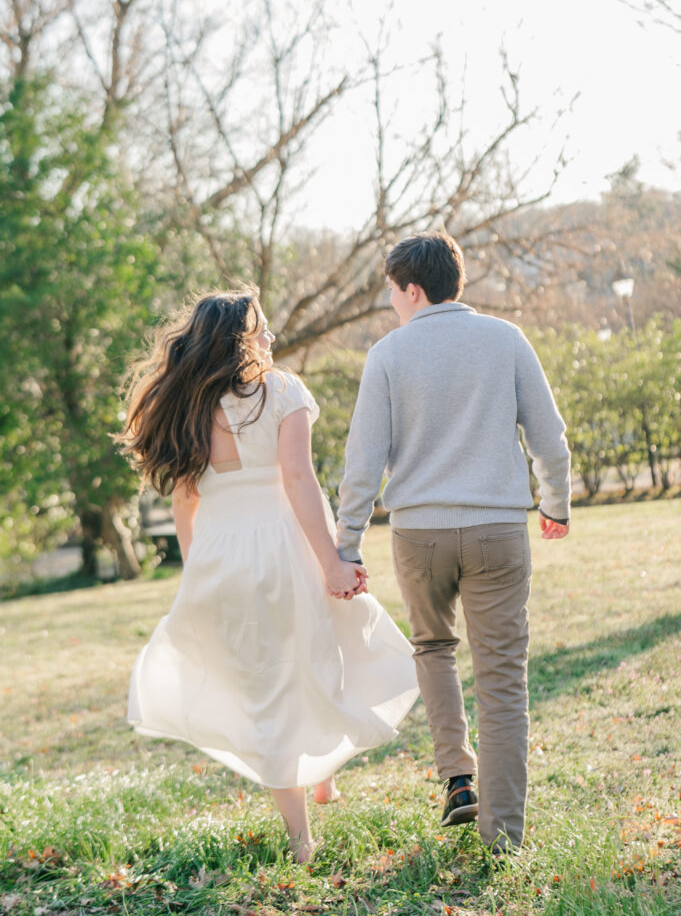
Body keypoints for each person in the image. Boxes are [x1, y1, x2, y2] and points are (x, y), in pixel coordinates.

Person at [117, 290, 418, 863]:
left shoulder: (181, 405)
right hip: (285, 546)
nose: (271, 338)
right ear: (237, 339)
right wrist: (331, 560)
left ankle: (311, 806)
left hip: (220, 558)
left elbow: (186, 505)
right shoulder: (281, 391)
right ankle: (310, 815)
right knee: (335, 646)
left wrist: (197, 574)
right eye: (261, 329)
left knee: (266, 683)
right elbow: (299, 481)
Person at [336, 232, 570, 854]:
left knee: (433, 647)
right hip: (497, 529)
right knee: (501, 679)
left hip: (418, 534)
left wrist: (347, 543)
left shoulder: (387, 355)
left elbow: (363, 461)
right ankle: (505, 838)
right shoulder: (506, 339)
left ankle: (458, 780)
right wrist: (556, 504)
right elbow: (549, 437)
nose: (390, 301)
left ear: (413, 289)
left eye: (391, 290)